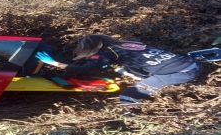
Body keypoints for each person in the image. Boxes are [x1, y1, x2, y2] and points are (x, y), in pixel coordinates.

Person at [35, 34, 203, 114]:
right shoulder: (127, 43)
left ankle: (132, 120)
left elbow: (85, 70)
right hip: (191, 65)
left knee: (129, 95)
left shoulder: (105, 53)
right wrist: (127, 72)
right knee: (139, 79)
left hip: (178, 73)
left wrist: (55, 63)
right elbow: (139, 61)